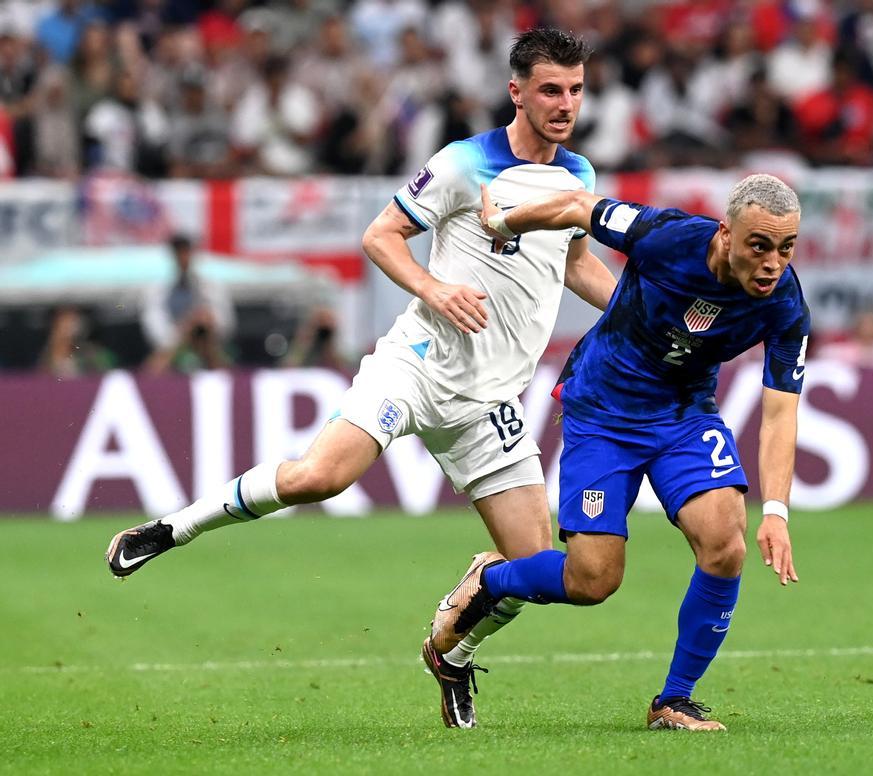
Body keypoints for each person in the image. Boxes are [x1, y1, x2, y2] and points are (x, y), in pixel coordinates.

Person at [106, 28, 616, 730]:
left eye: (577, 90)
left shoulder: (578, 177)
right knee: (323, 475)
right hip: (417, 364)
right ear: (517, 92)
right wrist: (436, 291)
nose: (566, 104)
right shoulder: (465, 164)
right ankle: (173, 528)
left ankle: (451, 652)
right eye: (552, 90)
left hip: (490, 401)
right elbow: (380, 235)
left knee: (533, 566)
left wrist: (636, 309)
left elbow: (577, 260)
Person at [429, 173, 809, 732]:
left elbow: (780, 412)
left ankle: (674, 701)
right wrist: (505, 222)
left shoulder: (785, 305)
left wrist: (776, 511)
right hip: (602, 411)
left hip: (684, 416)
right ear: (726, 235)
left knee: (725, 544)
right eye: (760, 245)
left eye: (786, 248)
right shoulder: (667, 237)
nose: (773, 263)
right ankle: (490, 582)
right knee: (594, 581)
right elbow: (582, 207)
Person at [141, 234, 235, 374]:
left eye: (186, 251)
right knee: (154, 370)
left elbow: (225, 323)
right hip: (174, 350)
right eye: (179, 252)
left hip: (207, 347)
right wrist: (186, 328)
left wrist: (205, 322)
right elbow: (156, 330)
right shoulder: (158, 290)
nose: (183, 257)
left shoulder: (211, 287)